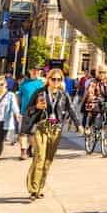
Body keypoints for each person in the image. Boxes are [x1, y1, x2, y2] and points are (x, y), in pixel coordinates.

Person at [25, 69, 81, 200]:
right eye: (53, 79)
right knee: (40, 157)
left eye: (59, 79)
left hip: (55, 129)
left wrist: (79, 124)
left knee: (48, 160)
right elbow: (28, 109)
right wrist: (36, 107)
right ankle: (33, 189)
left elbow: (71, 110)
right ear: (48, 79)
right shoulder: (40, 93)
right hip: (41, 127)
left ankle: (39, 188)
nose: (56, 82)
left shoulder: (63, 94)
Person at [16, 69, 45, 160]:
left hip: (38, 111)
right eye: (34, 71)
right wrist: (18, 111)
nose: (36, 72)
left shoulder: (42, 83)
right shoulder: (24, 83)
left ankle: (30, 149)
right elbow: (19, 97)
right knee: (23, 132)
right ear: (30, 71)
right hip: (25, 111)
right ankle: (23, 151)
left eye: (38, 71)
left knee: (33, 133)